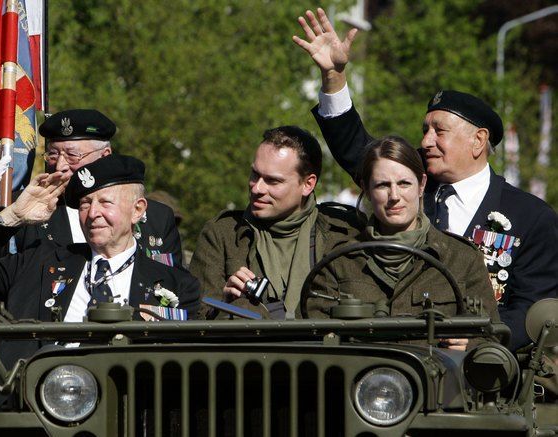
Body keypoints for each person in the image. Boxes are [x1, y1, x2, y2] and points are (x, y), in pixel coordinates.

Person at [293, 8, 558, 350]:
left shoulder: (531, 217)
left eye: (439, 131)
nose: (425, 141)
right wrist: (334, 77)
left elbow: (534, 309)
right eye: (424, 130)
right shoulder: (410, 188)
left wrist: (478, 335)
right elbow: (358, 151)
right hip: (395, 364)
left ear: (478, 140)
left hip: (479, 375)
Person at [0, 154, 201, 412]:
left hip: (128, 412)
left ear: (138, 209)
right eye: (85, 204)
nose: (93, 213)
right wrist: (11, 218)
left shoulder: (176, 285)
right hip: (30, 410)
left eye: (105, 202)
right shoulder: (40, 264)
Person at [310, 137, 499, 349]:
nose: (394, 196)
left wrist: (469, 344)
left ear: (421, 185)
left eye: (404, 184)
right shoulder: (340, 260)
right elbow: (314, 336)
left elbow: (492, 339)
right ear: (367, 189)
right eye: (382, 185)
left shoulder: (460, 259)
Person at [0, 109, 183, 267]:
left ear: (105, 156)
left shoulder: (157, 216)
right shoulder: (26, 208)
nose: (60, 166)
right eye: (53, 154)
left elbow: (173, 289)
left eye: (73, 155)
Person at [189, 126, 359, 319]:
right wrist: (223, 304)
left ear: (308, 184)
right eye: (255, 175)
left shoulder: (341, 236)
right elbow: (196, 319)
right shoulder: (222, 234)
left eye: (272, 181)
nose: (257, 188)